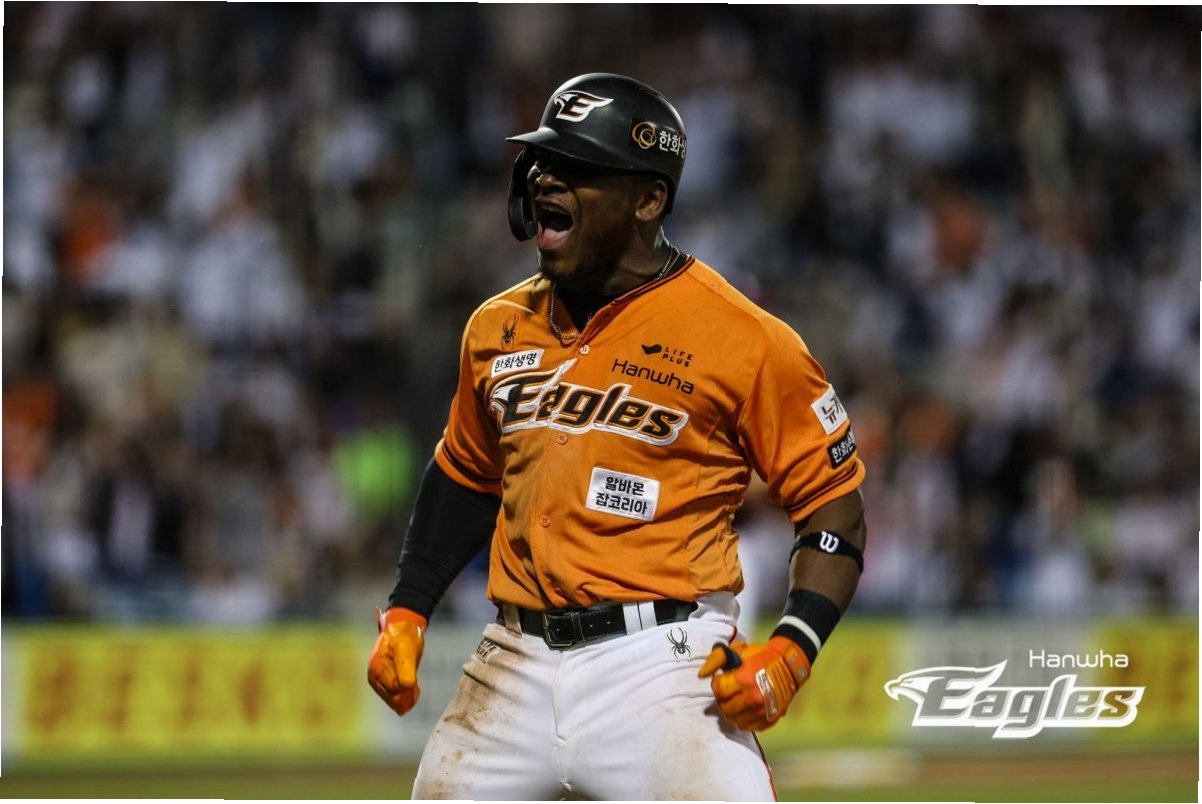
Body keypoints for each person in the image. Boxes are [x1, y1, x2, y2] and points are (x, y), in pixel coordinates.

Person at [367, 72, 867, 801]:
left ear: (648, 199)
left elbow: (835, 509)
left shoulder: (746, 338)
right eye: (543, 161)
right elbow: (466, 477)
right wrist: (410, 608)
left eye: (577, 167)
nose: (546, 179)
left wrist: (793, 650)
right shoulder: (495, 327)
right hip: (511, 661)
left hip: (666, 664)